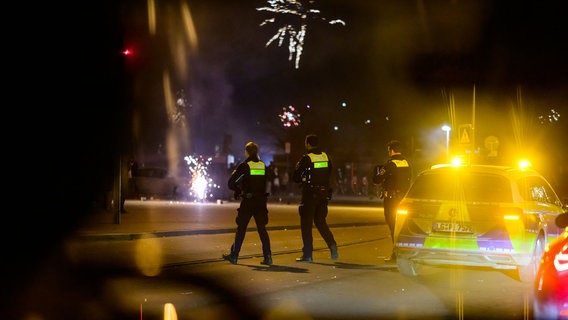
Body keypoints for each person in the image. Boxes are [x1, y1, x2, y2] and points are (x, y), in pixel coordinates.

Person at [223, 142, 272, 265]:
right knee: (262, 229)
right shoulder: (263, 165)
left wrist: (238, 191)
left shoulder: (245, 165)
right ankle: (268, 257)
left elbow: (231, 183)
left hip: (248, 201)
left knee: (241, 229)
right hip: (261, 202)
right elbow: (267, 183)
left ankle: (234, 256)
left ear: (247, 152)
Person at [293, 134, 338, 262]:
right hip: (323, 194)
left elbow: (295, 177)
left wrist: (303, 177)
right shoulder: (325, 156)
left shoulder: (307, 158)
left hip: (309, 194)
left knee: (306, 224)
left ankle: (307, 254)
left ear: (308, 144)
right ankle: (332, 245)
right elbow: (330, 172)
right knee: (320, 222)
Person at [373, 140, 411, 262]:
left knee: (393, 226)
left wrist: (377, 172)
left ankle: (396, 254)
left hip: (391, 200)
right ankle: (404, 252)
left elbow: (377, 179)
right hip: (403, 199)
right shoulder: (406, 163)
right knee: (402, 226)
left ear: (391, 150)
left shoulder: (390, 164)